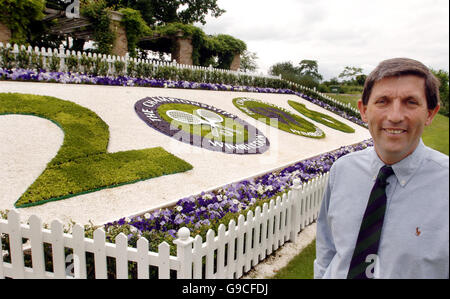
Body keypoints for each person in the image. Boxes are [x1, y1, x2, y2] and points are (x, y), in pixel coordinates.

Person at [314, 57, 449, 279]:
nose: (395, 116)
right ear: (364, 110)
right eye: (383, 101)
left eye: (411, 102)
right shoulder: (343, 170)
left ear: (430, 113)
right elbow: (327, 249)